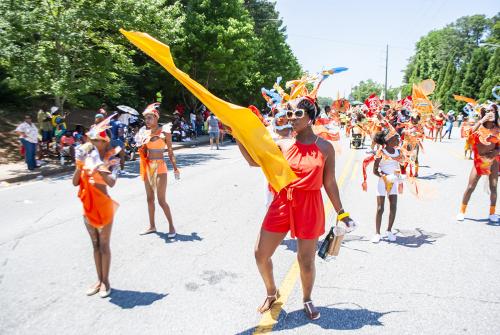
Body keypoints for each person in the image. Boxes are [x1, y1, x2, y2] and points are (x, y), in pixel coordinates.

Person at [236, 97, 354, 320]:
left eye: (297, 114)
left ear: (310, 118)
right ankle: (272, 292)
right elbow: (254, 161)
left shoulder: (325, 148)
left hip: (310, 205)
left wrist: (342, 212)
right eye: (289, 114)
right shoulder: (282, 144)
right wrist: (238, 136)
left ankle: (307, 298)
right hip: (282, 201)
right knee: (260, 253)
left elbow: (329, 183)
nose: (291, 118)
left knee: (306, 261)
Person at [72, 117, 120, 298]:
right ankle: (99, 280)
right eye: (90, 140)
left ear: (104, 141)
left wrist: (100, 165)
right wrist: (79, 164)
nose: (91, 143)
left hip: (104, 206)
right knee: (95, 245)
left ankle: (106, 282)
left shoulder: (111, 158)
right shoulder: (86, 157)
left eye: (96, 140)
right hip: (88, 207)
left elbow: (112, 182)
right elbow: (75, 182)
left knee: (104, 245)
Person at [136, 103, 180, 237]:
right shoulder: (144, 133)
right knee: (149, 199)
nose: (147, 121)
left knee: (161, 200)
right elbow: (143, 152)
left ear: (156, 117)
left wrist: (175, 168)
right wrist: (139, 146)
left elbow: (171, 152)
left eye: (150, 118)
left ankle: (172, 227)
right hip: (148, 167)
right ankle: (152, 226)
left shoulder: (165, 131)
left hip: (160, 166)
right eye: (146, 118)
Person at [457, 105, 499, 223]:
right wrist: (482, 120)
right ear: (483, 113)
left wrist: (496, 151)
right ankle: (462, 211)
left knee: (494, 187)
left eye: (493, 111)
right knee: (470, 187)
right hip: (479, 160)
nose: (491, 113)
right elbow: (467, 134)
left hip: (493, 161)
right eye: (488, 111)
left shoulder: (498, 129)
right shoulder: (478, 127)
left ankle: (492, 213)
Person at [368, 129, 403, 243]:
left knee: (393, 206)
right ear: (388, 140)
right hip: (383, 182)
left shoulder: (398, 152)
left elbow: (401, 167)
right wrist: (385, 176)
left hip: (393, 182)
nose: (398, 139)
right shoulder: (381, 152)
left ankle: (389, 230)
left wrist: (399, 176)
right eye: (396, 137)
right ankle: (377, 233)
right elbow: (375, 170)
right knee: (380, 208)